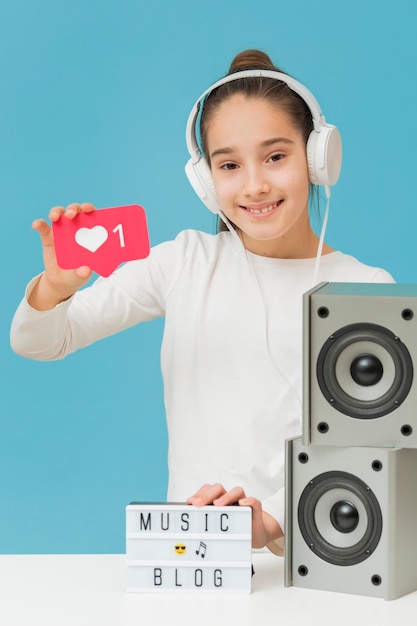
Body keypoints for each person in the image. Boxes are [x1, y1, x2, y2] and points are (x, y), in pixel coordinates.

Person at [10, 49, 394, 556]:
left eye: (276, 156)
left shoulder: (365, 288)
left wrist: (271, 522)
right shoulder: (184, 262)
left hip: (319, 558)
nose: (255, 184)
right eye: (229, 164)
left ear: (318, 156)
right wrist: (55, 288)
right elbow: (40, 342)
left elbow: (371, 444)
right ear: (206, 180)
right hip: (189, 557)